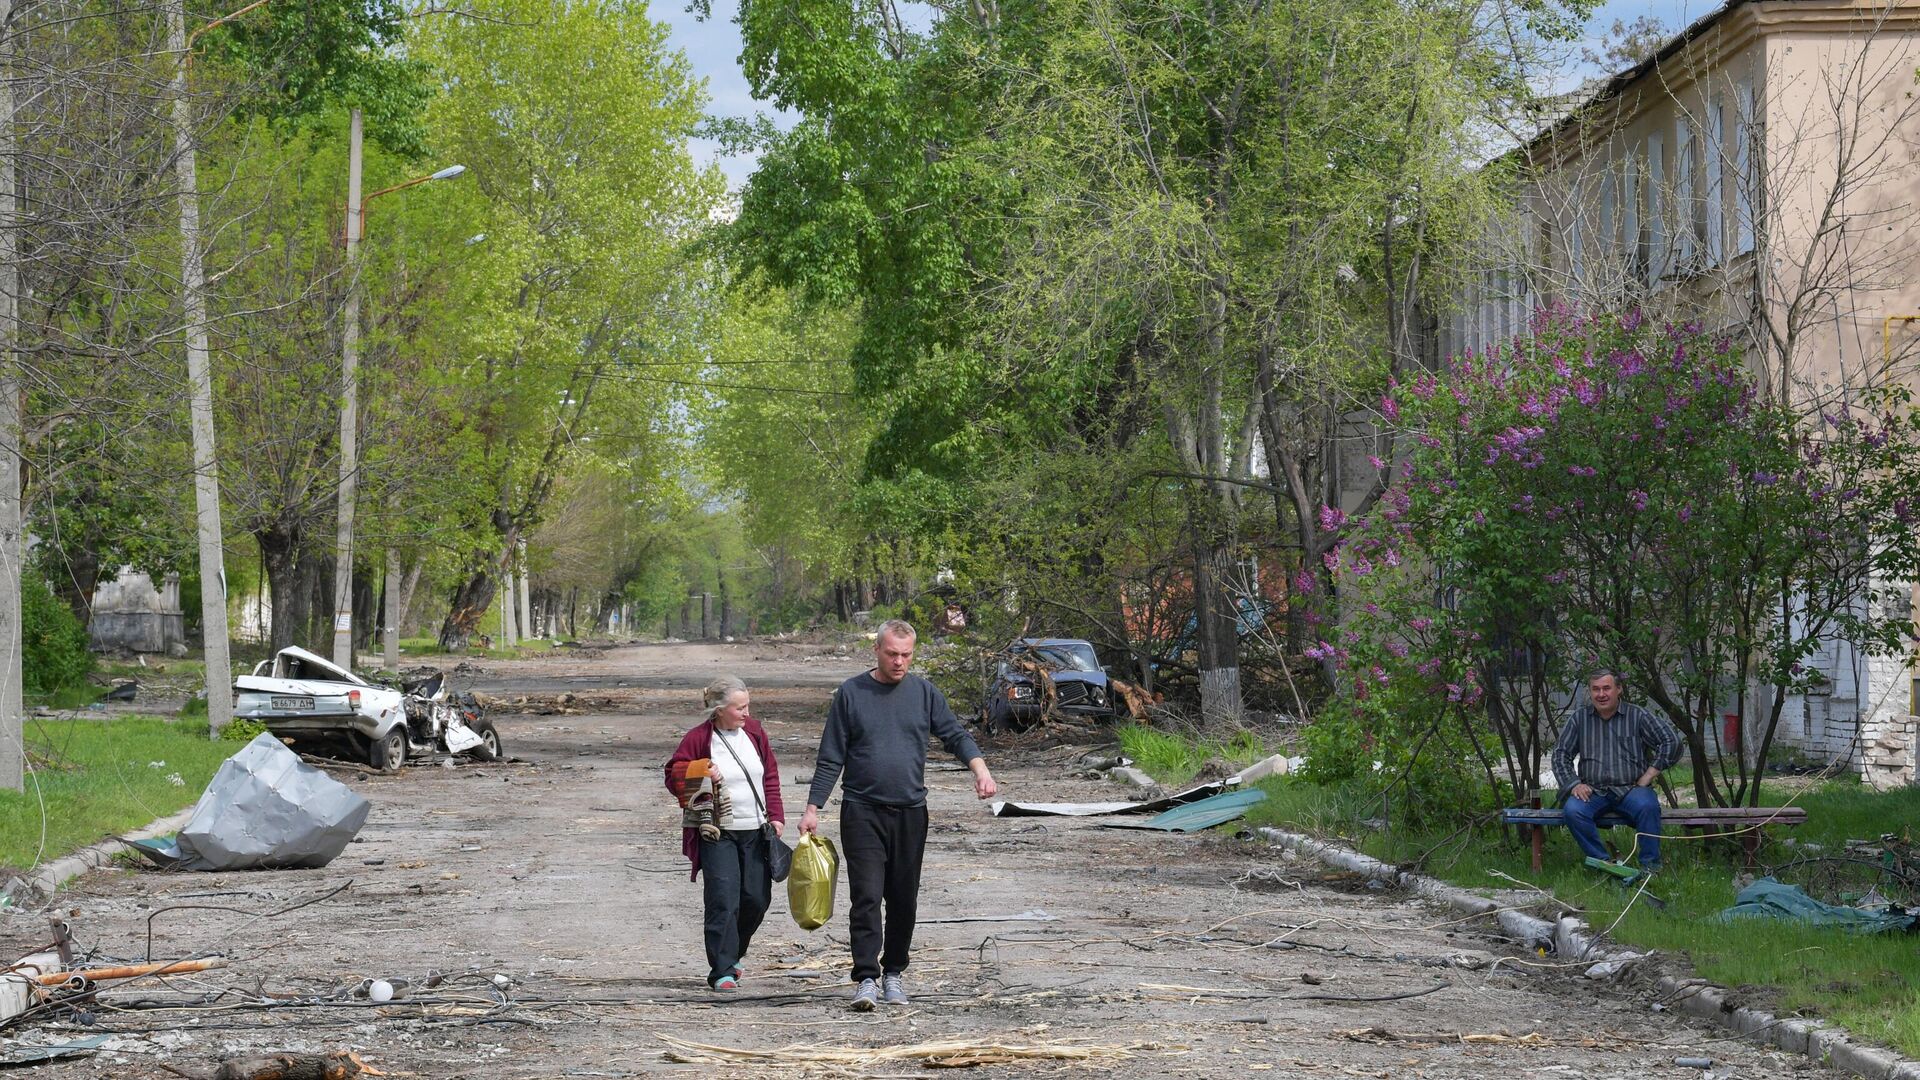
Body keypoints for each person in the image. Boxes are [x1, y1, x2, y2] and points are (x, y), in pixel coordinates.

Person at [800, 619, 998, 1011]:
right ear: (877, 649)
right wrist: (812, 808)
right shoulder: (852, 694)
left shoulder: (924, 693)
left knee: (903, 898)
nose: (899, 662)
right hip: (862, 811)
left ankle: (894, 972)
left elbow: (954, 735)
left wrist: (981, 769)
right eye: (892, 653)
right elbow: (831, 757)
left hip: (910, 812)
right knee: (867, 896)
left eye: (906, 655)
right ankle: (867, 978)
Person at [665, 676, 784, 991]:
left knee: (756, 899)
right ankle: (721, 971)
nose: (747, 713)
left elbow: (769, 774)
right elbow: (672, 774)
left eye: (747, 706)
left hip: (756, 830)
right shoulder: (698, 739)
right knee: (723, 900)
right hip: (717, 833)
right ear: (719, 710)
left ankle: (734, 952)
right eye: (740, 708)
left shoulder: (756, 733)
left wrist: (777, 816)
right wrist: (701, 769)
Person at [1550, 670, 1682, 873]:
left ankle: (1650, 868)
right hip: (1593, 791)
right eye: (1596, 689)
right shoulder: (1579, 719)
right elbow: (1560, 754)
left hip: (1631, 789)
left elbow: (1671, 741)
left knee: (1648, 806)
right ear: (1590, 692)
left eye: (1606, 688)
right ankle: (1605, 864)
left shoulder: (1637, 715)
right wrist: (1574, 784)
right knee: (1573, 811)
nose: (1601, 694)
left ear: (1618, 689)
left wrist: (1649, 774)